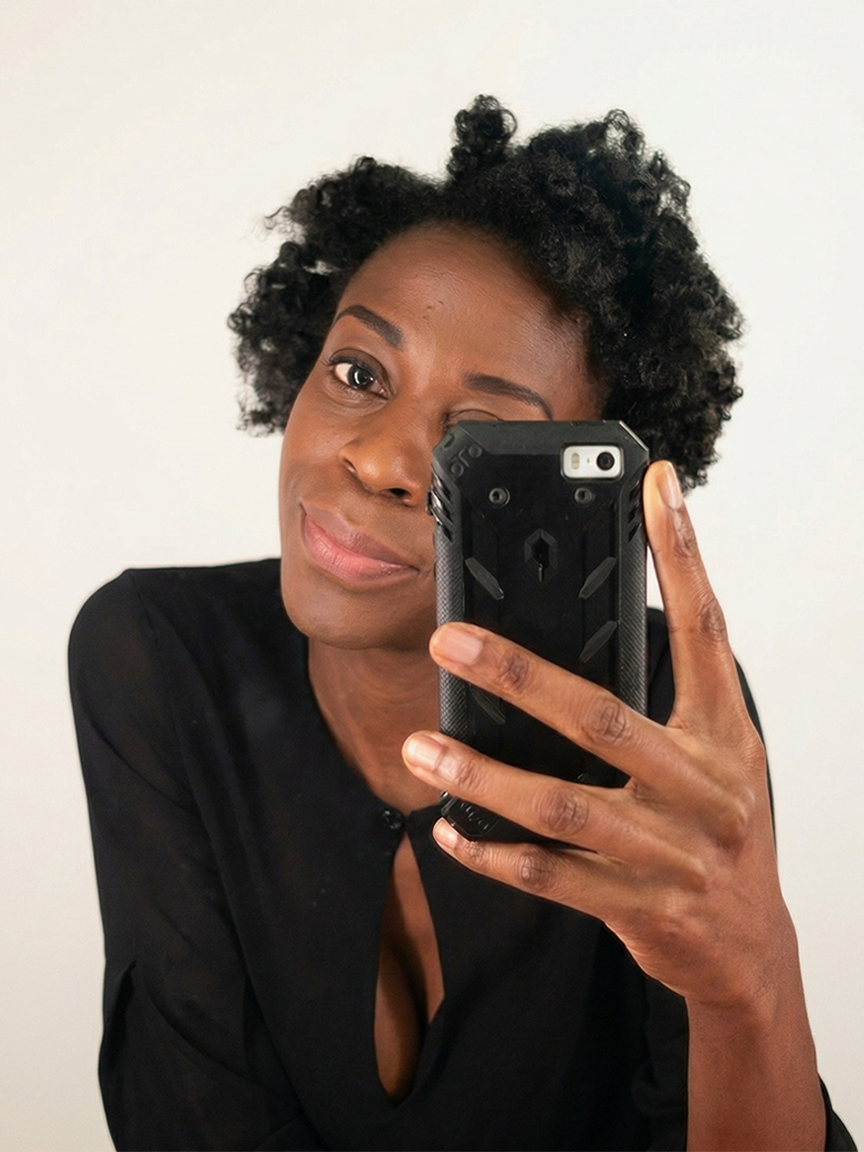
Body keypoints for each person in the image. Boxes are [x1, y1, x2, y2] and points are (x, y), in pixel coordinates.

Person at [69, 97, 855, 1151]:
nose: (381, 461)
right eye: (359, 373)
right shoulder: (160, 658)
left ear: (581, 505)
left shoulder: (663, 723)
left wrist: (747, 981)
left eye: (478, 441)